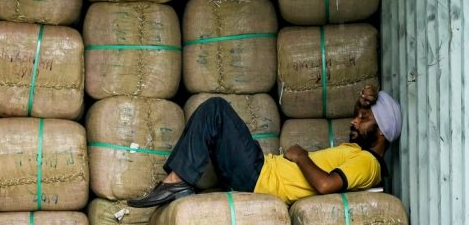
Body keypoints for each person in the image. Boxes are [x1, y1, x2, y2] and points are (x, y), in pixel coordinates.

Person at [127, 85, 402, 207]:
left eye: (363, 119)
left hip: (261, 178)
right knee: (215, 114)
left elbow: (326, 185)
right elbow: (366, 112)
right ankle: (177, 181)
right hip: (261, 173)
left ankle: (176, 181)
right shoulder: (359, 152)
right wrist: (368, 95)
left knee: (216, 110)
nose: (354, 121)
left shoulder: (368, 164)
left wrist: (301, 156)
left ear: (382, 132)